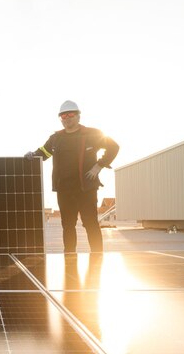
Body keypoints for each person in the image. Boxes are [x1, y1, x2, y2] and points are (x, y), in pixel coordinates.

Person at [25, 100, 119, 252]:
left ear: (78, 116)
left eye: (70, 114)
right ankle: (69, 258)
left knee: (91, 224)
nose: (67, 118)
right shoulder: (56, 138)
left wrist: (99, 165)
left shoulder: (92, 134)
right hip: (64, 190)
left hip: (86, 189)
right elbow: (44, 152)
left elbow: (113, 147)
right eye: (63, 116)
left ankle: (97, 257)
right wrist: (33, 155)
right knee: (68, 225)